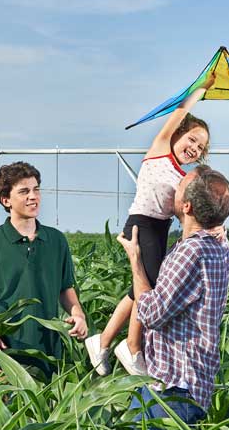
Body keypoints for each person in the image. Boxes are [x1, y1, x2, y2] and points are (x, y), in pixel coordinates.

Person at [85, 73, 216, 377]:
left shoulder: (184, 176)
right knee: (146, 290)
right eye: (192, 139)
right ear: (178, 134)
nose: (194, 148)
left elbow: (184, 213)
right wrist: (203, 89)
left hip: (159, 230)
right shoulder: (159, 150)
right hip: (141, 225)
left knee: (139, 290)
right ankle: (130, 347)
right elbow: (181, 110)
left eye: (200, 147)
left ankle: (104, 342)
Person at [116, 165, 229, 430]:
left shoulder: (191, 252)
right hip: (185, 388)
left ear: (188, 206)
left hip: (170, 392)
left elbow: (152, 313)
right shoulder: (218, 246)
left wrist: (136, 261)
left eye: (179, 186)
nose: (173, 187)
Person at [0, 162, 87, 378]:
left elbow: (65, 288)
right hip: (7, 354)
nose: (33, 196)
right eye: (24, 191)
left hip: (52, 353)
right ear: (6, 200)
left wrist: (78, 314)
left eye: (36, 189)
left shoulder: (56, 240)